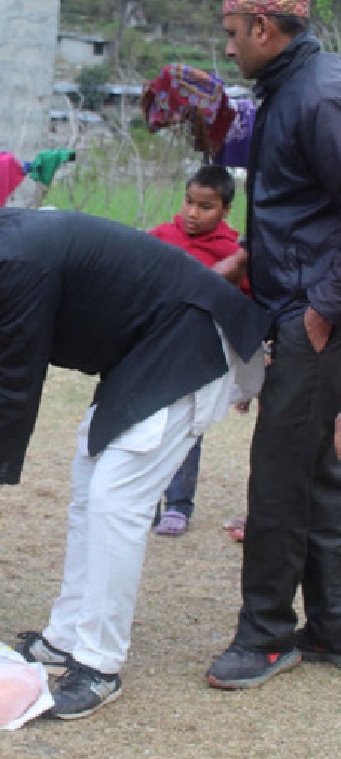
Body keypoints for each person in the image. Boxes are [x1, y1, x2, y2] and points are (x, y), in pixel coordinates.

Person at [0, 166, 271, 719]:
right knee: (91, 479)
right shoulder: (1, 244)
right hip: (145, 351)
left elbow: (20, 380)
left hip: (188, 341)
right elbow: (15, 366)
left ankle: (100, 664)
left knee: (116, 500)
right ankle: (66, 639)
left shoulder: (6, 263)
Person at [206, 0, 341, 687]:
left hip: (313, 318)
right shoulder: (289, 89)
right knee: (320, 473)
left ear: (263, 27)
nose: (227, 48)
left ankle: (264, 633)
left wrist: (322, 308)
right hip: (294, 301)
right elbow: (305, 208)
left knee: (280, 479)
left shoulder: (319, 93)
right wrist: (247, 257)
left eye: (232, 33)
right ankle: (332, 625)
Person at [148, 164, 250, 536]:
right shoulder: (159, 237)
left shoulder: (234, 253)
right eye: (189, 202)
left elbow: (246, 310)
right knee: (148, 429)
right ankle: (148, 500)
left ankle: (178, 504)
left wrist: (248, 375)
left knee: (187, 429)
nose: (192, 213)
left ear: (225, 210)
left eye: (205, 206)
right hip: (156, 351)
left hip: (202, 358)